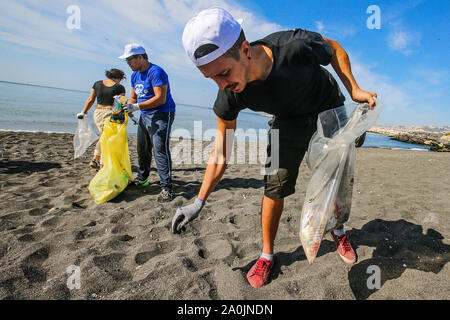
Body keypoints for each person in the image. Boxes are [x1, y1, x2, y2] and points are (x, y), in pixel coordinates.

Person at [172, 7, 377, 288]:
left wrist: (354, 88)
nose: (222, 85)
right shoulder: (229, 95)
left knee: (337, 176)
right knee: (274, 184)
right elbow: (221, 151)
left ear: (245, 49)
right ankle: (267, 254)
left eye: (223, 73)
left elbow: (334, 49)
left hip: (327, 108)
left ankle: (338, 230)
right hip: (287, 121)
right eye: (212, 79)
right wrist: (199, 201)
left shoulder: (295, 45)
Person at [118, 44, 176, 201]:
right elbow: (133, 97)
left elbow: (160, 98)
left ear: (140, 57)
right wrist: (127, 106)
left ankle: (167, 187)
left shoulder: (156, 72)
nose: (128, 63)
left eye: (130, 60)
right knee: (142, 148)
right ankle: (142, 179)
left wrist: (136, 106)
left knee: (160, 149)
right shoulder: (135, 75)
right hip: (145, 114)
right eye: (126, 61)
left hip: (162, 113)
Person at [77, 69, 126, 169]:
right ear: (118, 78)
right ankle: (102, 162)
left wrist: (84, 112)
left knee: (103, 135)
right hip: (110, 113)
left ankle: (96, 159)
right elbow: (119, 105)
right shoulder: (119, 87)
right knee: (106, 137)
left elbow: (90, 100)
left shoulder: (97, 84)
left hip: (98, 112)